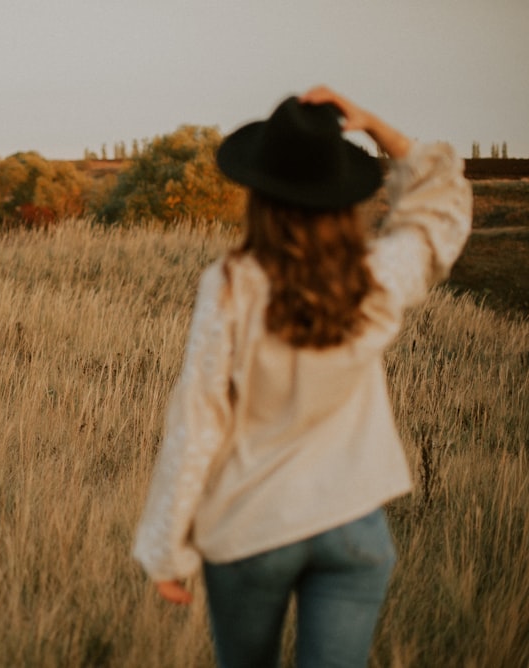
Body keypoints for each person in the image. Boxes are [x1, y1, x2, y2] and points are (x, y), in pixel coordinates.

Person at [132, 86, 472, 667]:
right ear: (342, 196)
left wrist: (168, 551)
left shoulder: (232, 283)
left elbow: (199, 418)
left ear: (259, 195)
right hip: (352, 527)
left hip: (250, 527)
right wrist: (373, 124)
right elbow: (441, 205)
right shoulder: (376, 274)